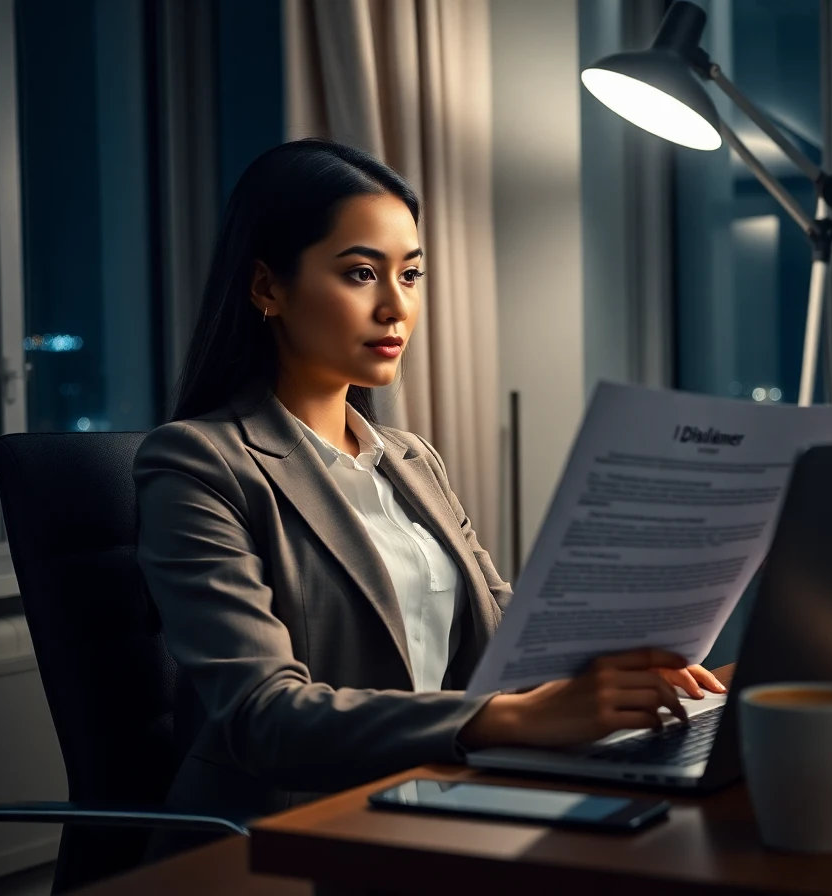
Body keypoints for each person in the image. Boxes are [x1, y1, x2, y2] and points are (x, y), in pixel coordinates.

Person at [134, 138, 725, 842]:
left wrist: (617, 660)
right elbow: (265, 718)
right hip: (288, 834)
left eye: (410, 275)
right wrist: (509, 718)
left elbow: (508, 638)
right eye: (361, 273)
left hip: (443, 798)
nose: (396, 307)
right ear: (267, 287)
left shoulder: (413, 461)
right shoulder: (197, 464)